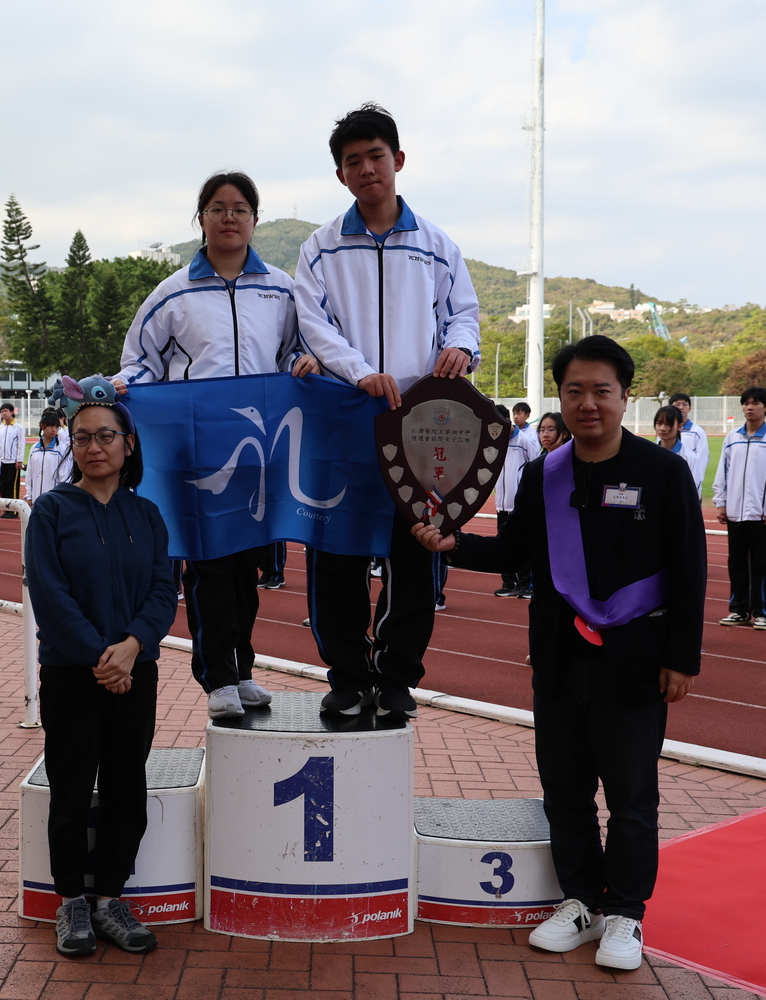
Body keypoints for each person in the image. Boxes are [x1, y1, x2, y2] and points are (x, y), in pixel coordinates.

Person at [412, 335, 705, 972]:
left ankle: (625, 911)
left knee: (631, 796)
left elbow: (690, 567)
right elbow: (513, 549)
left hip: (633, 660)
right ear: (562, 397)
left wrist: (682, 657)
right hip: (558, 658)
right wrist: (455, 544)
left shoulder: (663, 471)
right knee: (565, 791)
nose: (588, 403)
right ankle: (581, 900)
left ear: (625, 396)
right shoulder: (543, 473)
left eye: (602, 390)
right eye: (575, 391)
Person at [292, 103, 482, 718]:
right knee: (337, 556)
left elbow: (464, 313)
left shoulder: (438, 246)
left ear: (398, 160)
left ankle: (397, 675)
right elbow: (312, 323)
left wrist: (461, 347)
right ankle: (347, 676)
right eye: (353, 161)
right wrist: (357, 371)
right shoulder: (320, 249)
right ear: (341, 175)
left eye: (376, 156)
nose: (367, 168)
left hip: (420, 427)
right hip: (344, 421)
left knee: (415, 552)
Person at [111, 170, 301, 718]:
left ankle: (242, 670)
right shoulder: (173, 292)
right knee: (210, 566)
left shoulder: (281, 289)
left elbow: (295, 350)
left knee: (247, 568)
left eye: (239, 209)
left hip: (259, 453)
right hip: (198, 454)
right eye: (218, 209)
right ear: (201, 219)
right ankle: (216, 676)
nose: (229, 218)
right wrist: (122, 385)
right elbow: (140, 361)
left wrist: (302, 363)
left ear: (255, 219)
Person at [25, 392, 175, 959]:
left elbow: (163, 591)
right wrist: (100, 658)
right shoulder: (51, 511)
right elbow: (50, 595)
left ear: (128, 444)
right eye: (82, 437)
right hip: (73, 674)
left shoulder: (147, 515)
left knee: (125, 787)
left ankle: (111, 898)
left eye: (106, 435)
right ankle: (71, 902)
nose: (94, 447)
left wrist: (131, 648)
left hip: (135, 672)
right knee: (70, 788)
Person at [712, 386, 766, 630]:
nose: (749, 407)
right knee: (736, 564)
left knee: (761, 565)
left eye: (755, 403)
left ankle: (762, 612)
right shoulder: (732, 437)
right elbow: (723, 471)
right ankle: (739, 610)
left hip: (761, 513)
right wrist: (721, 502)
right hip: (736, 512)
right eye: (746, 403)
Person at [495, 402, 543, 599]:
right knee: (501, 543)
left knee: (522, 543)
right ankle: (508, 583)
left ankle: (525, 584)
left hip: (518, 503)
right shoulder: (495, 440)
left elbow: (535, 463)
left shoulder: (524, 440)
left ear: (506, 421)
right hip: (501, 502)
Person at [24, 408, 75, 505]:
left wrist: (61, 497)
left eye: (57, 426)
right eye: (51, 426)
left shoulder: (61, 449)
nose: (54, 430)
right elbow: (29, 474)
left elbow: (64, 477)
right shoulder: (34, 449)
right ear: (42, 426)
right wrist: (29, 496)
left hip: (53, 501)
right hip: (35, 500)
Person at [668, 392, 710, 492]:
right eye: (677, 404)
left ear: (689, 408)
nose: (681, 407)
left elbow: (702, 459)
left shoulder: (697, 432)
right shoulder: (665, 431)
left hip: (690, 482)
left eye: (684, 404)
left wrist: (695, 484)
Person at [653, 405, 700, 490]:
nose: (662, 428)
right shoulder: (649, 454)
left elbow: (694, 489)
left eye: (668, 424)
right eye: (659, 423)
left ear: (679, 426)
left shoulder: (689, 457)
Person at [0, 403, 24, 517]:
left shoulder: (19, 427)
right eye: (2, 411)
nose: (4, 413)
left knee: (12, 486)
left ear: (12, 412)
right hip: (1, 461)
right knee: (2, 485)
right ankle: (6, 509)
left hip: (13, 461)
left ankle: (14, 510)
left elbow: (21, 444)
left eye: (6, 411)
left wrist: (19, 460)